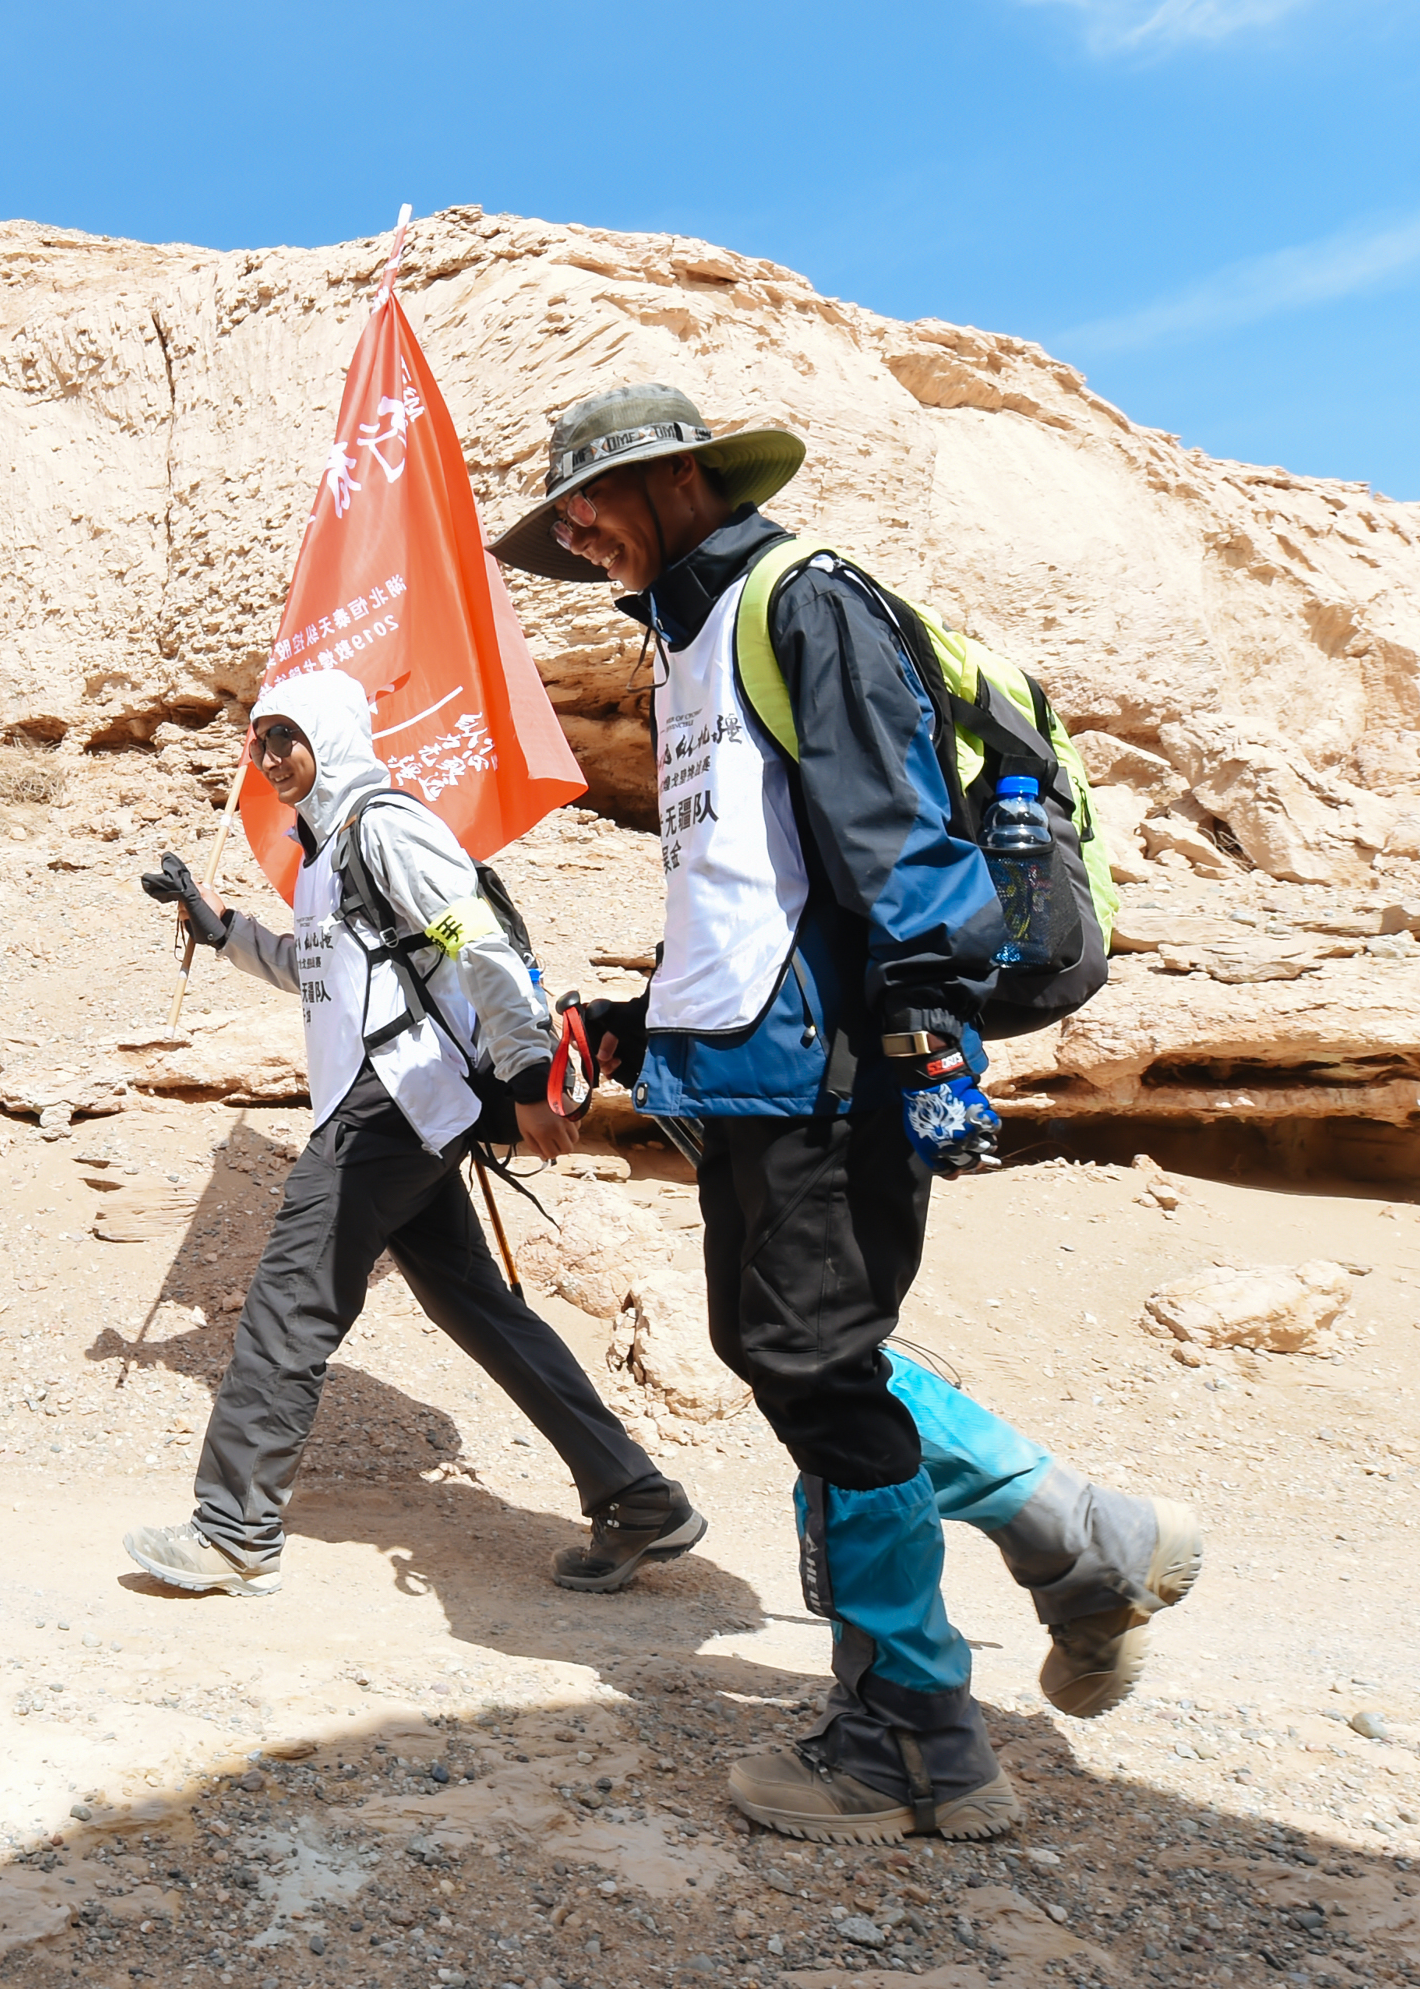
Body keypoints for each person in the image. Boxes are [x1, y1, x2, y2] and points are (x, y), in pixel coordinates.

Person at [489, 382, 1202, 1842]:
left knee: (815, 1368)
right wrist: (638, 1025)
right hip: (758, 1060)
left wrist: (924, 1025)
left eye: (591, 502)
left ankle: (913, 1732)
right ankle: (1078, 1542)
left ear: (679, 479)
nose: (577, 535)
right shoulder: (696, 637)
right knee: (793, 1350)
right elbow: (754, 897)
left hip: (834, 1067)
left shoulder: (799, 600)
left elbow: (893, 839)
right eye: (564, 520)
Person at [122, 668, 703, 1601]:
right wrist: (219, 926)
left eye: (287, 736)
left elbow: (475, 943)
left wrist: (524, 1074)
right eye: (260, 740)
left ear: (334, 736)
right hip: (401, 1105)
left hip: (388, 1106)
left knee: (288, 1301)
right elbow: (315, 971)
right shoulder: (325, 852)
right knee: (475, 1303)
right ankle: (636, 1497)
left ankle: (233, 1531)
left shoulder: (385, 826)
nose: (270, 757)